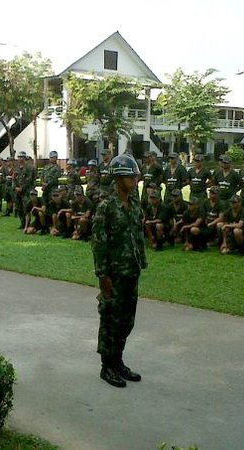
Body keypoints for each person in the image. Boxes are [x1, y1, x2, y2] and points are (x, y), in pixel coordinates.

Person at [91, 154, 147, 388]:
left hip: (131, 270)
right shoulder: (106, 207)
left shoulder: (134, 203)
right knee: (110, 320)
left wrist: (141, 261)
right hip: (113, 274)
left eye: (135, 176)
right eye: (130, 177)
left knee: (126, 321)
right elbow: (98, 243)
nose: (135, 180)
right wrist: (103, 276)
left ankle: (118, 361)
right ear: (118, 178)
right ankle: (107, 366)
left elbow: (138, 234)